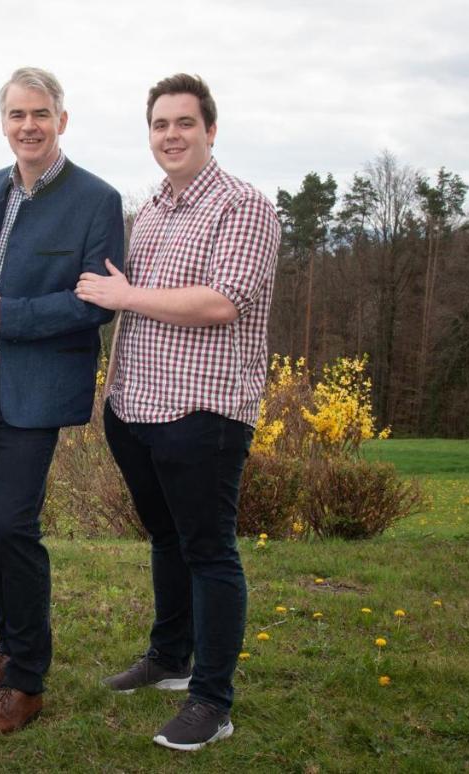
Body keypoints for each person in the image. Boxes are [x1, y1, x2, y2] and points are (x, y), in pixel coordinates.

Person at [75, 73, 280, 751]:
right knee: (166, 539)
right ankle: (169, 657)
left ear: (211, 129)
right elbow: (115, 289)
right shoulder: (154, 210)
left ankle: (212, 701)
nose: (171, 135)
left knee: (209, 551)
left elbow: (223, 302)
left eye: (185, 123)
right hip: (134, 406)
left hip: (203, 409)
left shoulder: (244, 207)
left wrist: (127, 296)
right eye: (160, 124)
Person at [0, 67, 125, 735]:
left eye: (41, 113)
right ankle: (9, 649)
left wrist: (7, 311)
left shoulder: (96, 199)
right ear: (3, 122)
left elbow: (94, 304)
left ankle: (28, 683)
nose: (29, 125)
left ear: (62, 121)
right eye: (17, 114)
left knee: (15, 525)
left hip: (37, 387)